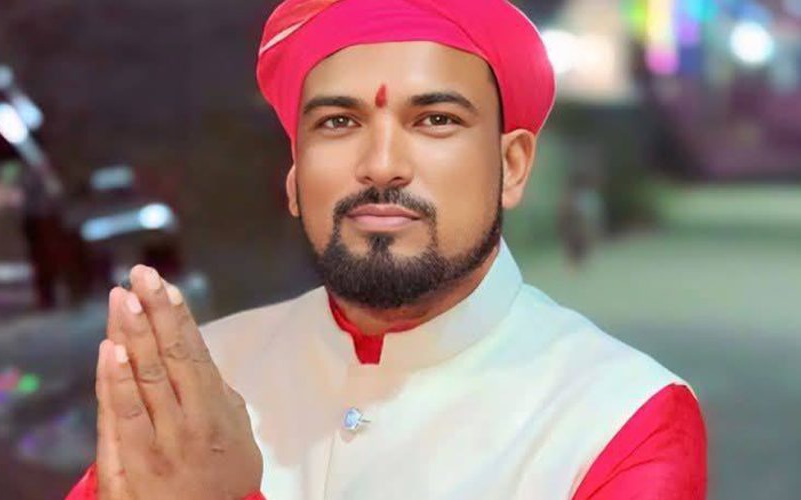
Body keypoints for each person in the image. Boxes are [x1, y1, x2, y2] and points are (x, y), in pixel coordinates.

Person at [67, 0, 706, 498]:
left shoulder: (617, 416)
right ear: (294, 177)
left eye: (435, 120)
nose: (380, 164)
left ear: (511, 166)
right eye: (338, 122)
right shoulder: (201, 382)